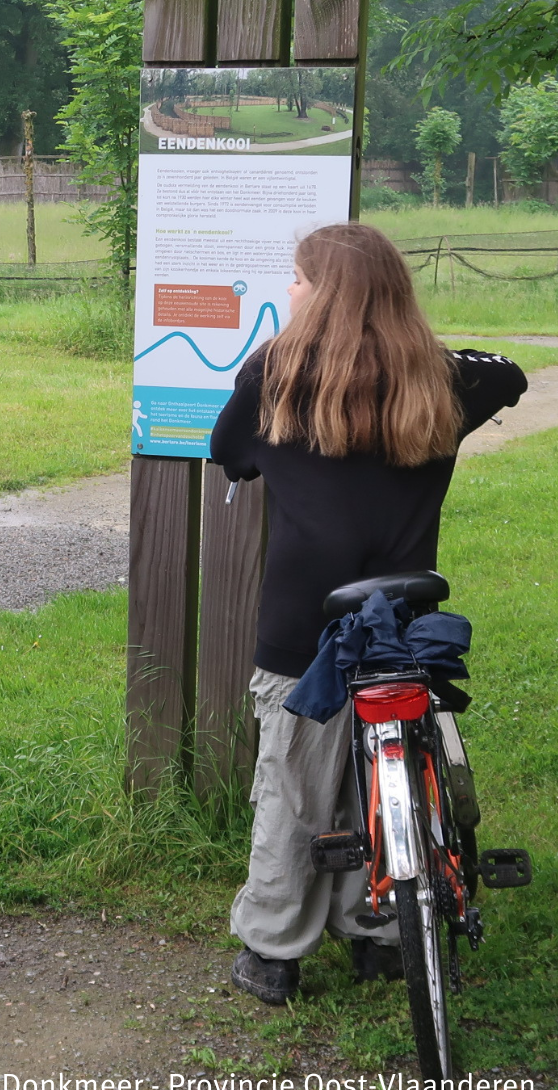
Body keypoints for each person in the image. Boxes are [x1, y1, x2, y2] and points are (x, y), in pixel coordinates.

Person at [210, 222, 526, 1006]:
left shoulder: (275, 376)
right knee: (391, 777)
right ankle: (383, 936)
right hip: (407, 619)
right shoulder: (443, 379)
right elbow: (509, 374)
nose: (288, 290)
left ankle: (275, 949)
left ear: (324, 295)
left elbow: (228, 452)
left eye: (296, 278)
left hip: (302, 625)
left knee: (294, 786)